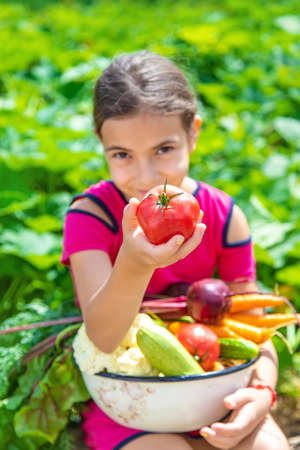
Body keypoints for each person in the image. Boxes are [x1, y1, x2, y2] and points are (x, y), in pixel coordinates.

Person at [61, 50, 289, 450]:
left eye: (163, 150)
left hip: (215, 393)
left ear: (193, 133)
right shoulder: (91, 217)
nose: (146, 177)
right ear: (101, 144)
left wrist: (262, 395)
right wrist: (134, 263)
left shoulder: (223, 215)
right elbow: (103, 336)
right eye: (122, 156)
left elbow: (256, 332)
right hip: (131, 404)